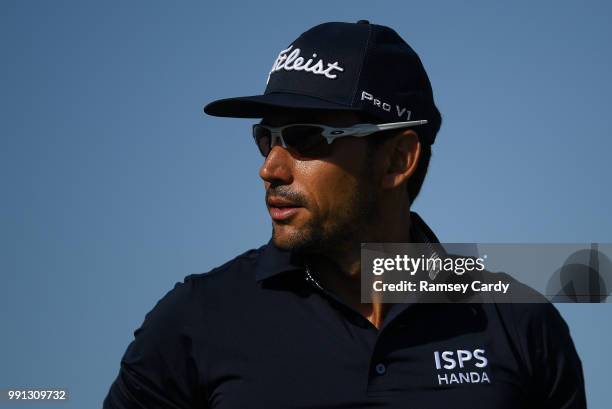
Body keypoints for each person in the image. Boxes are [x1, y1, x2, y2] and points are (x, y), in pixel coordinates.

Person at [103, 20, 586, 408]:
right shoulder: (195, 319)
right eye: (266, 138)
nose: (270, 168)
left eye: (305, 138)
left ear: (398, 159)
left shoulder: (520, 324)